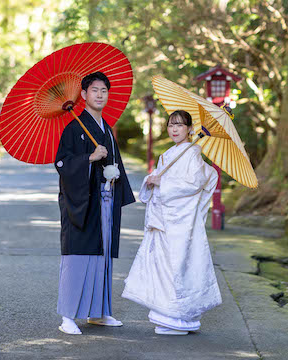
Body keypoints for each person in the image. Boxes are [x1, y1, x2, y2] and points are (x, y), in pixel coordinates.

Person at [122, 110, 222, 335]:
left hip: (180, 222)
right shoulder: (168, 154)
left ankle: (180, 317)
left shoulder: (193, 153)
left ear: (189, 129)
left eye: (179, 125)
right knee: (163, 267)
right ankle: (168, 316)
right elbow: (158, 181)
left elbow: (193, 184)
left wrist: (162, 184)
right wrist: (151, 182)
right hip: (164, 219)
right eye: (171, 125)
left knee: (177, 267)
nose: (174, 129)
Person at [54, 71, 135, 335]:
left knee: (103, 256)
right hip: (83, 202)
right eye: (94, 90)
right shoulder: (74, 128)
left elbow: (114, 163)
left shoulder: (106, 129)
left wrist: (114, 176)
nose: (100, 95)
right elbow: (62, 163)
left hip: (105, 200)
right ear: (84, 95)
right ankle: (68, 316)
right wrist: (88, 158)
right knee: (79, 256)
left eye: (104, 91)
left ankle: (99, 313)